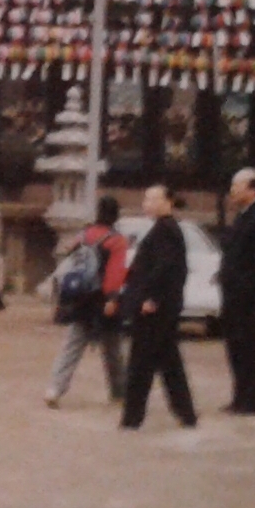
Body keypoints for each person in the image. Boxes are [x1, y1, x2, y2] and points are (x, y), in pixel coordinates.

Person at [119, 184, 198, 431]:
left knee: (141, 364)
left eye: (152, 199)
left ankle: (132, 417)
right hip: (160, 306)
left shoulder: (167, 230)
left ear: (167, 202)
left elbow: (165, 268)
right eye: (146, 199)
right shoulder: (162, 229)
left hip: (155, 307)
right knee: (169, 362)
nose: (147, 204)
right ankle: (186, 413)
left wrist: (152, 297)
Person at [45, 196, 129, 407]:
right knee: (112, 349)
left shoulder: (83, 235)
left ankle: (55, 388)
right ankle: (119, 392)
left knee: (72, 345)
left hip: (80, 298)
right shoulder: (117, 240)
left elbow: (69, 259)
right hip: (102, 299)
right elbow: (115, 273)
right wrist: (112, 298)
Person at [218, 167, 255, 415]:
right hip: (233, 295)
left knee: (250, 347)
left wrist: (243, 286)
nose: (232, 191)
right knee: (236, 347)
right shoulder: (241, 216)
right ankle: (240, 396)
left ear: (252, 189)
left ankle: (252, 400)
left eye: (237, 186)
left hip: (249, 297)